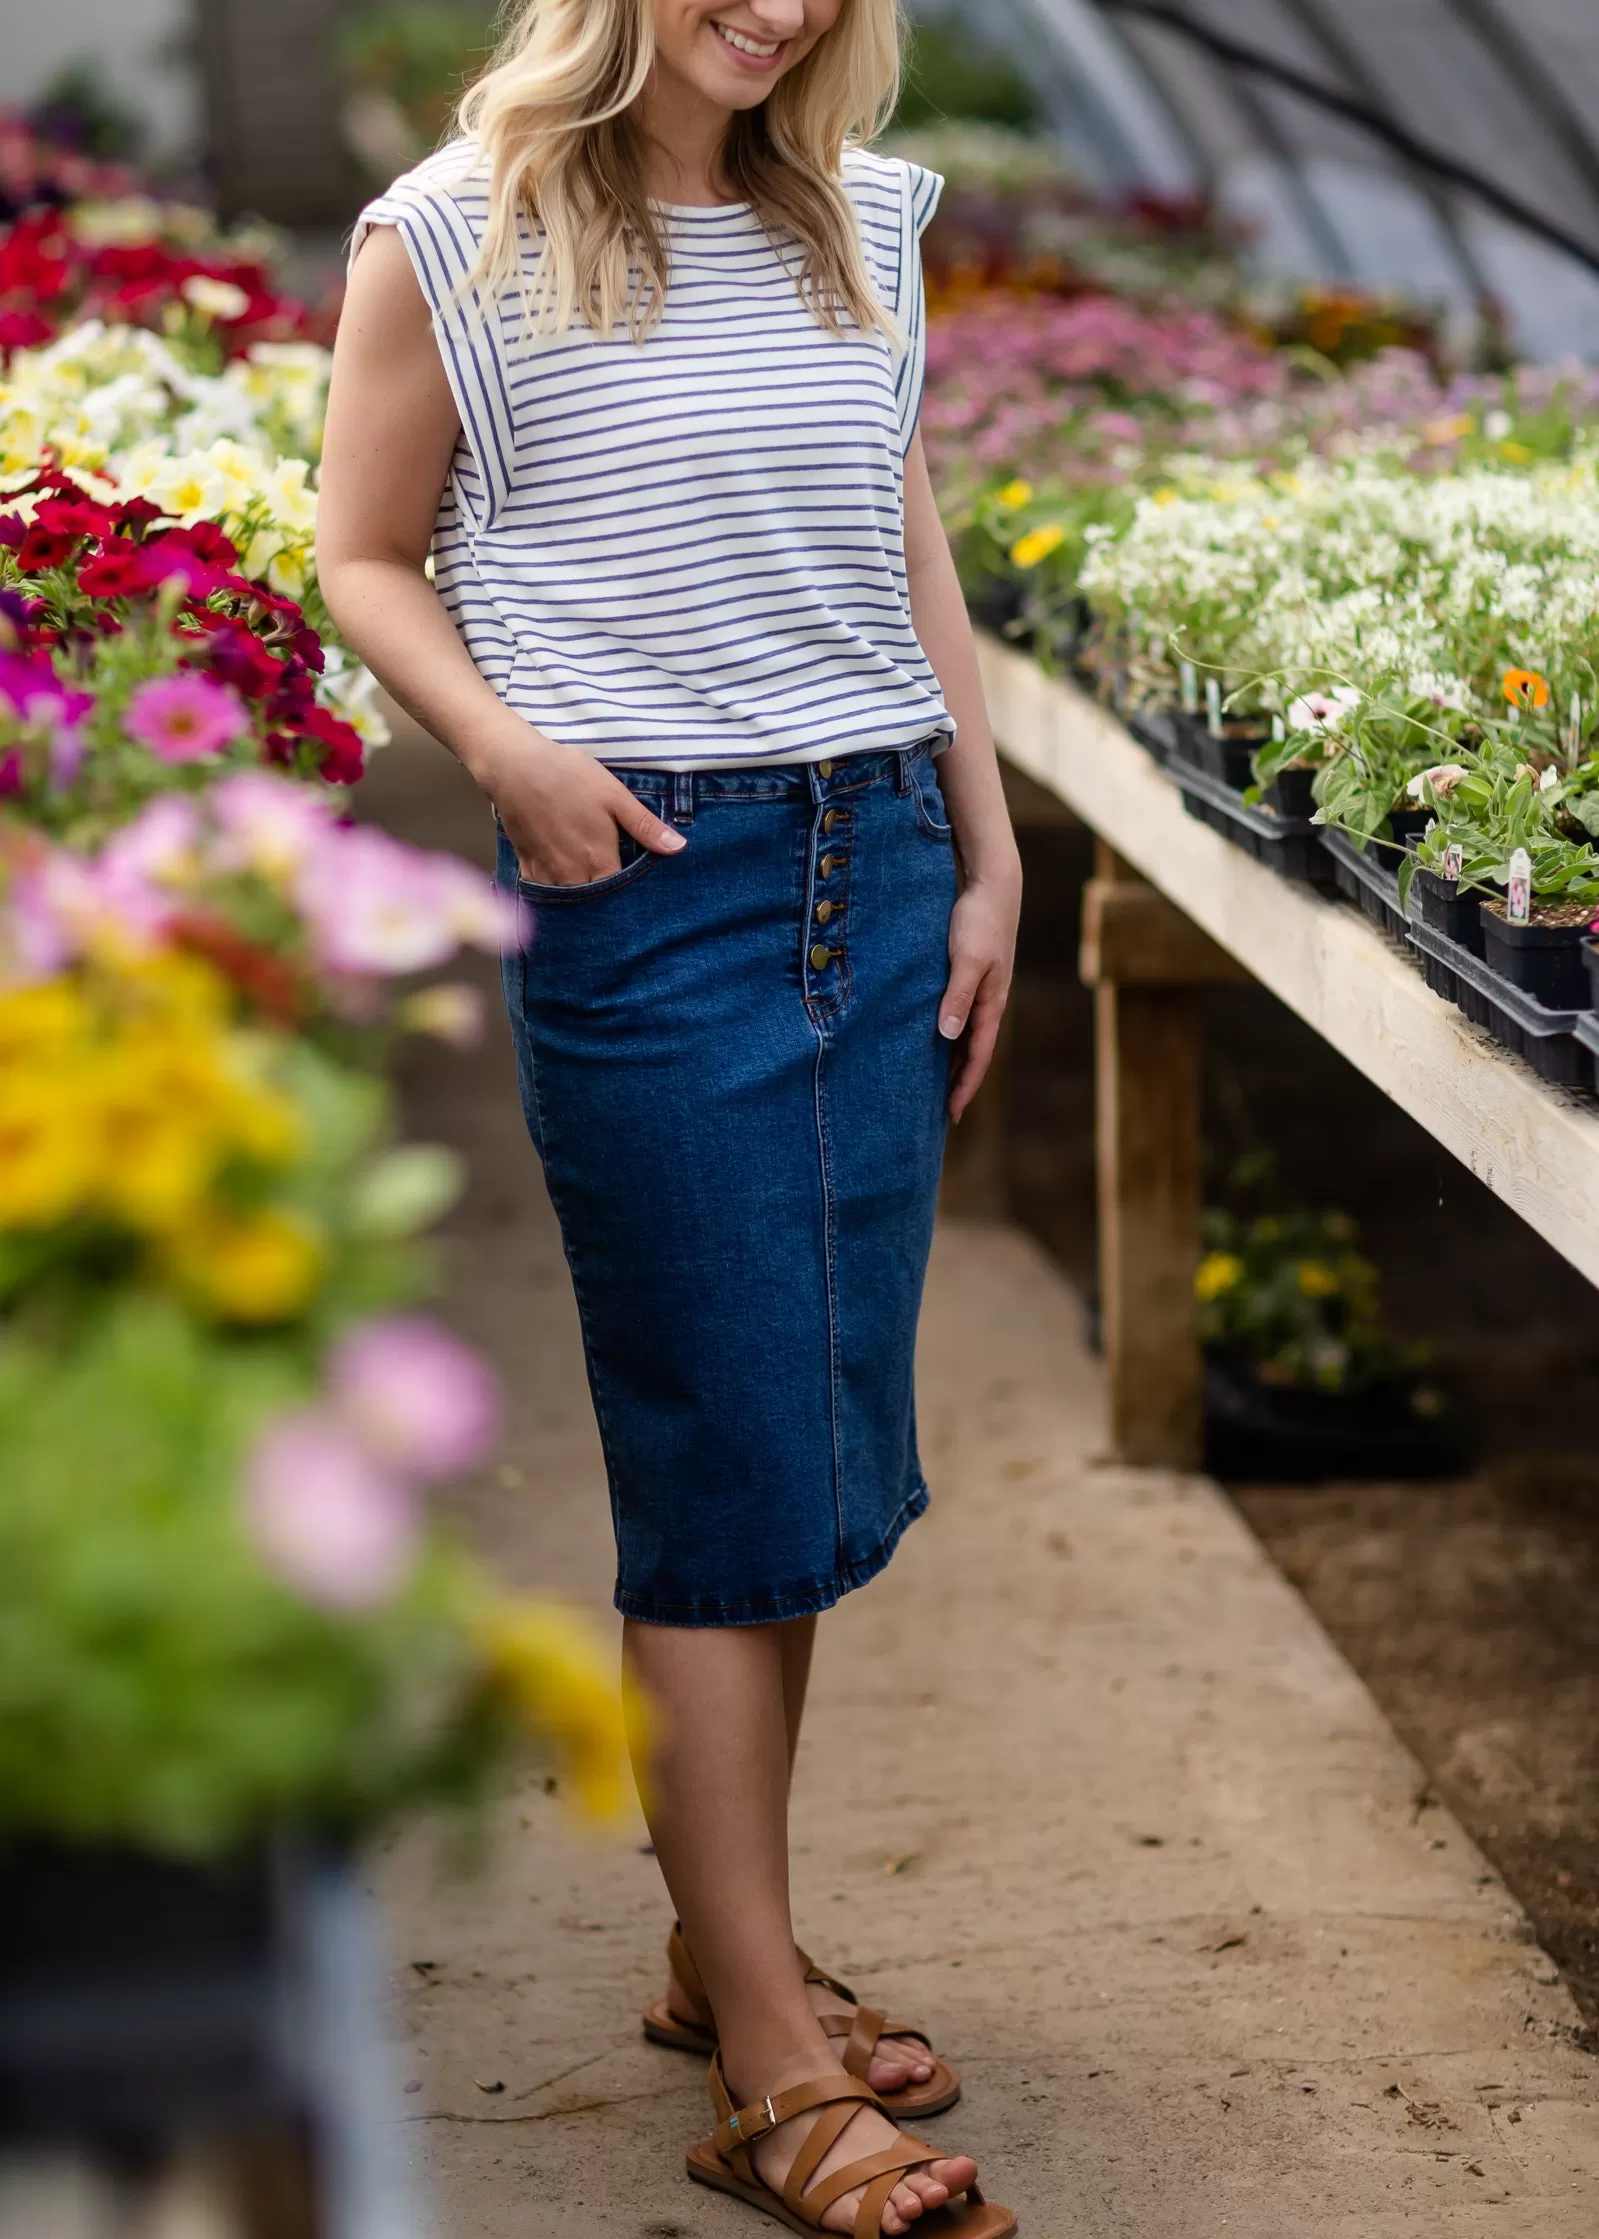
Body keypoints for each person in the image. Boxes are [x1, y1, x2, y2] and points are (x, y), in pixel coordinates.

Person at [317, 2, 1021, 2230]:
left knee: (795, 1451)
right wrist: (505, 757)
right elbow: (358, 548)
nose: (781, 3)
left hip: (882, 860)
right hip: (652, 886)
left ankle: (724, 1963)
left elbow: (904, 545)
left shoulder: (863, 225)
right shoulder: (452, 232)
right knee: (718, 1469)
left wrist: (991, 855)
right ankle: (777, 2069)